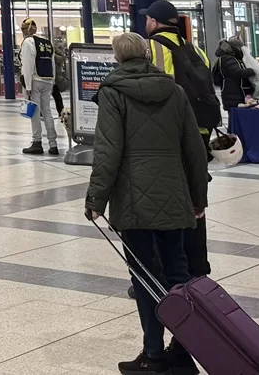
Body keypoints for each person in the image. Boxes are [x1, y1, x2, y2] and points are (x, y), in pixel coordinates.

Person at [86, 32, 210, 375]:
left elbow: (107, 150)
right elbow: (195, 151)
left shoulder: (112, 92)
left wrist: (96, 199)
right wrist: (199, 198)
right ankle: (185, 351)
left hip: (132, 201)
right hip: (174, 197)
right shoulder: (175, 90)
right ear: (146, 54)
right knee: (179, 275)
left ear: (117, 58)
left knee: (143, 276)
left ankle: (153, 355)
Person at [144, 0, 216, 278]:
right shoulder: (196, 50)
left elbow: (150, 93)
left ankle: (165, 272)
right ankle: (198, 269)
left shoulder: (151, 48)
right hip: (200, 136)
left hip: (170, 138)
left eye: (148, 19)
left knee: (165, 208)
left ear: (153, 22)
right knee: (195, 204)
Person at [19, 19, 59, 156]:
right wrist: (52, 82)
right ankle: (53, 144)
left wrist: (28, 86)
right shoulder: (47, 43)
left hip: (34, 80)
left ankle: (37, 142)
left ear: (26, 30)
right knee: (47, 111)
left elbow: (27, 64)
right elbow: (52, 63)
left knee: (34, 113)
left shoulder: (28, 42)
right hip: (47, 80)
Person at [213, 38, 255, 110]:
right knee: (234, 117)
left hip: (236, 94)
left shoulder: (233, 57)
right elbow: (237, 72)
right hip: (233, 95)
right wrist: (252, 70)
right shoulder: (227, 58)